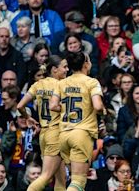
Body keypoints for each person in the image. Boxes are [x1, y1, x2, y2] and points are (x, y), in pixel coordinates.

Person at [50, 51, 105, 191]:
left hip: (63, 136)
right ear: (86, 64)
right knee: (79, 181)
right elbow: (98, 106)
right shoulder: (91, 82)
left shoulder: (61, 83)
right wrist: (102, 111)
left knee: (75, 181)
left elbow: (53, 105)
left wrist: (67, 110)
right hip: (81, 134)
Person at [17, 55, 69, 191]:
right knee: (45, 176)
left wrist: (27, 117)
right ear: (54, 70)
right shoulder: (62, 86)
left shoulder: (38, 84)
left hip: (44, 134)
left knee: (61, 179)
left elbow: (19, 106)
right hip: (55, 133)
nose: (67, 70)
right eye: (64, 67)